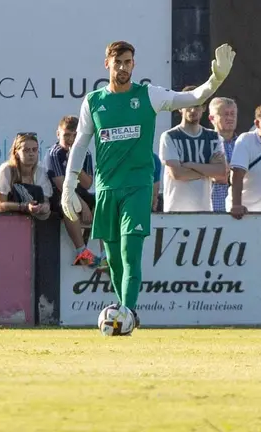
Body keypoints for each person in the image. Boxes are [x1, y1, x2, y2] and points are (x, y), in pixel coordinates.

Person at [60, 41, 237, 327]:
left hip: (138, 186)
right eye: (118, 62)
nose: (123, 67)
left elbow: (192, 97)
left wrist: (215, 79)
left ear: (134, 64)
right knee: (114, 259)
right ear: (107, 64)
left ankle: (126, 313)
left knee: (131, 253)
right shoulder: (94, 101)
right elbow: (80, 143)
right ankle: (124, 310)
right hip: (106, 188)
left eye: (128, 62)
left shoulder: (148, 95)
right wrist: (68, 185)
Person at [45, 115, 103, 267]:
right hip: (59, 195)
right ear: (58, 134)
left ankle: (106, 254)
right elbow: (61, 185)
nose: (70, 139)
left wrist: (75, 161)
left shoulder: (86, 153)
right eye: (66, 135)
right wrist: (83, 205)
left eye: (74, 135)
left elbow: (88, 184)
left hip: (80, 193)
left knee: (104, 204)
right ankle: (81, 251)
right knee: (68, 204)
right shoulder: (54, 153)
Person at [159, 85, 226, 212]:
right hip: (175, 211)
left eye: (197, 105)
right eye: (188, 105)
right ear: (180, 108)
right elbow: (177, 174)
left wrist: (190, 165)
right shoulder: (169, 136)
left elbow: (222, 173)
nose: (192, 110)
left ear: (204, 108)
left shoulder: (214, 137)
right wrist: (208, 170)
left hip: (204, 211)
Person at [0, 132, 52, 220]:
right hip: (0, 221)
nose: (31, 154)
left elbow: (45, 201)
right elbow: (0, 204)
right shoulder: (6, 170)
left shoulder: (41, 170)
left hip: (31, 222)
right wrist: (25, 207)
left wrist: (44, 207)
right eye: (26, 150)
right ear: (16, 153)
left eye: (34, 150)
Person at [208, 97, 238, 212]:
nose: (230, 118)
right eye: (225, 114)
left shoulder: (244, 144)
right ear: (212, 118)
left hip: (239, 212)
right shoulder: (205, 144)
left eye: (233, 114)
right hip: (211, 210)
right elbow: (219, 176)